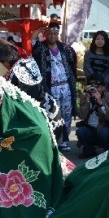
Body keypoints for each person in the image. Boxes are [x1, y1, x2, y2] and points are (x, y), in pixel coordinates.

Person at [32, 22, 78, 152]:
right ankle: (55, 140)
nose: (53, 36)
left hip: (66, 86)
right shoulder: (41, 48)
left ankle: (65, 140)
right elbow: (33, 40)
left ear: (58, 34)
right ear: (46, 34)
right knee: (54, 113)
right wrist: (40, 28)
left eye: (55, 33)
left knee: (67, 113)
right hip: (51, 87)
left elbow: (72, 64)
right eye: (50, 33)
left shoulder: (66, 49)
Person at [75, 78, 109, 159]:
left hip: (104, 128)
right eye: (92, 87)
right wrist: (87, 100)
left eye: (98, 87)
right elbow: (81, 116)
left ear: (103, 88)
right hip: (90, 128)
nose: (95, 89)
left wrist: (100, 102)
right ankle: (89, 151)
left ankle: (108, 152)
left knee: (105, 133)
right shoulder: (85, 96)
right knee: (81, 131)